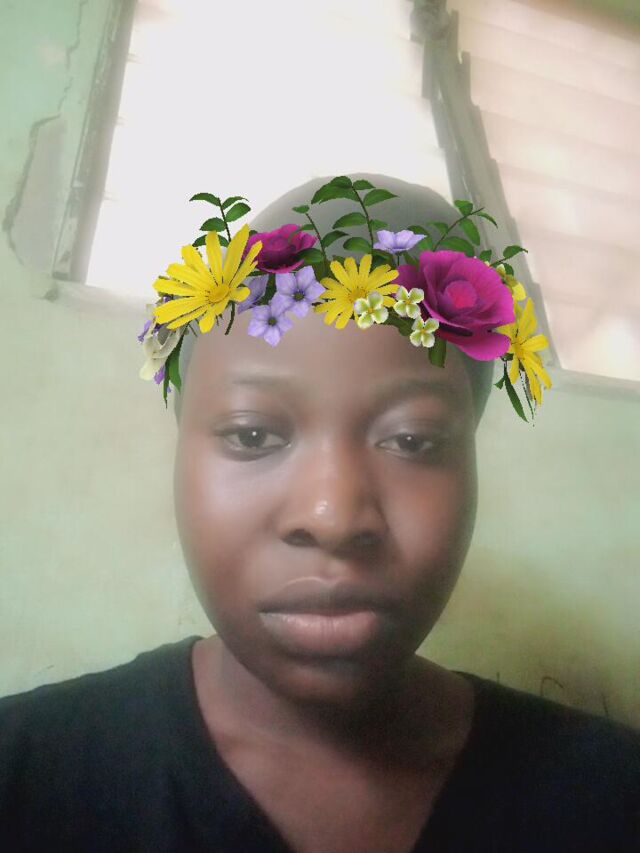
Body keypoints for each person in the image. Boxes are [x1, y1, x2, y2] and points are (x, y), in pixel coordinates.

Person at [0, 175, 638, 852]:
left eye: (412, 440)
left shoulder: (612, 797)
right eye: (252, 434)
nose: (332, 517)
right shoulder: (25, 780)